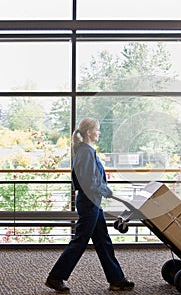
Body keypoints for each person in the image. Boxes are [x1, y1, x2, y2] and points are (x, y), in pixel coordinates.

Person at [45, 117, 134, 293]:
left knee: (103, 241)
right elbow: (86, 181)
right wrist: (104, 189)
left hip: (93, 202)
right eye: (97, 130)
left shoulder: (87, 150)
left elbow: (91, 179)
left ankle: (116, 279)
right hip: (89, 202)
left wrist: (103, 189)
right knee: (80, 241)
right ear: (88, 132)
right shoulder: (85, 152)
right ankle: (55, 277)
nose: (99, 133)